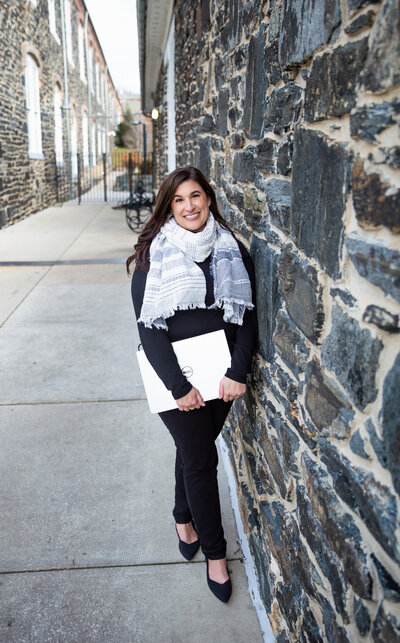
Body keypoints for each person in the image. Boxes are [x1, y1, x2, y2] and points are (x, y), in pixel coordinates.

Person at [127, 166, 257, 603]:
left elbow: (248, 316)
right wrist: (179, 388)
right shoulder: (151, 256)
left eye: (196, 196)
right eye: (179, 199)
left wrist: (238, 372)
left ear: (208, 198)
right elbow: (150, 331)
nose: (189, 206)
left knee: (192, 450)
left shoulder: (232, 249)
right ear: (169, 205)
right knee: (201, 461)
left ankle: (183, 514)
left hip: (221, 379)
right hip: (174, 381)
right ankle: (216, 557)